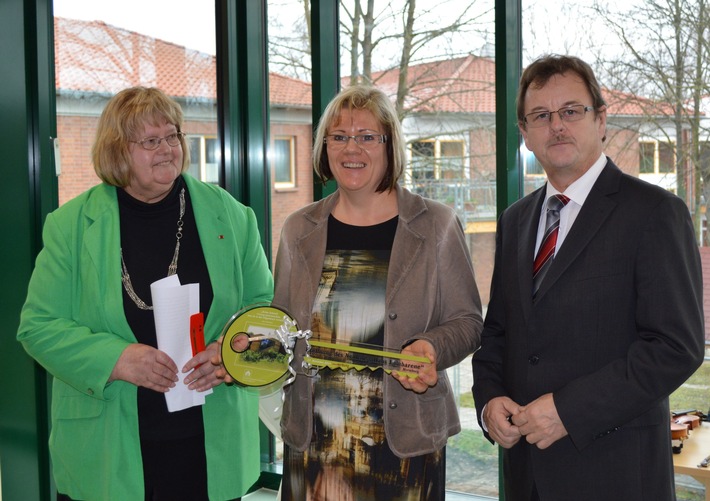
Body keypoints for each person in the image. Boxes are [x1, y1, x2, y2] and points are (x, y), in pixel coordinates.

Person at [17, 87, 273, 500]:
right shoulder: (70, 226)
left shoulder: (232, 215)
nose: (167, 149)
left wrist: (230, 352)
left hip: (212, 448)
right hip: (106, 452)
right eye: (151, 141)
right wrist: (115, 359)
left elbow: (263, 308)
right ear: (118, 151)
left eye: (172, 137)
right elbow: (38, 327)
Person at [472, 54, 705, 501]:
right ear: (524, 134)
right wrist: (488, 403)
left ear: (601, 119)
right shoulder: (516, 220)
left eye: (571, 111)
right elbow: (498, 333)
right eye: (541, 116)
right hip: (527, 479)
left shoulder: (655, 213)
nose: (556, 126)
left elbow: (676, 348)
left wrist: (567, 410)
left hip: (616, 476)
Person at [272, 84, 483, 500]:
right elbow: (282, 327)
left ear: (390, 146)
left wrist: (431, 346)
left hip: (403, 448)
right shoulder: (299, 229)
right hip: (314, 447)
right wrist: (246, 348)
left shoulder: (436, 225)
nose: (353, 148)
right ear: (324, 147)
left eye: (367, 136)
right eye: (339, 136)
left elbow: (469, 322)